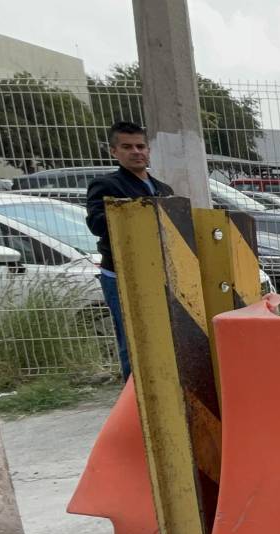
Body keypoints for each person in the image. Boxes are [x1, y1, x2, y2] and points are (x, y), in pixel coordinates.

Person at [86, 121, 173, 381]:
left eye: (140, 146)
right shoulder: (108, 186)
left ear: (148, 150)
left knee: (164, 335)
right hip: (123, 275)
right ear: (114, 151)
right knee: (133, 338)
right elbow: (97, 224)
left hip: (160, 272)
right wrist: (133, 211)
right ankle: (134, 398)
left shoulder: (163, 189)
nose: (136, 152)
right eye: (127, 147)